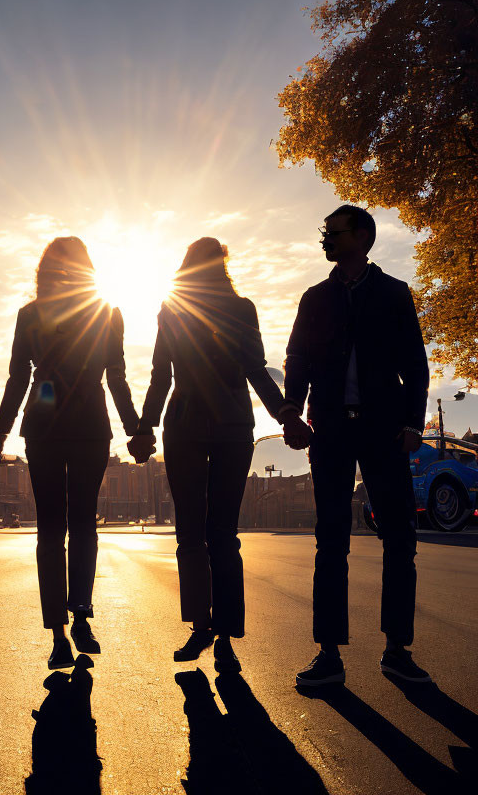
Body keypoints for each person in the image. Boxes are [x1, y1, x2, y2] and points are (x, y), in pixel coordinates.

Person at [129, 238, 311, 673]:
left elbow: (160, 377)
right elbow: (255, 369)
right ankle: (225, 636)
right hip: (231, 426)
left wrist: (145, 428)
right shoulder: (240, 308)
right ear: (222, 264)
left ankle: (201, 626)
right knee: (223, 532)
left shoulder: (172, 307)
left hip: (188, 426)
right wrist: (284, 413)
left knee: (191, 531)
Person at [284, 205, 431, 686]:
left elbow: (415, 362)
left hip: (384, 430)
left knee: (400, 538)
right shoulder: (314, 298)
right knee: (331, 540)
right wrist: (291, 413)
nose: (326, 238)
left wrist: (414, 422)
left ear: (363, 237)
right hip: (328, 430)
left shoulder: (394, 294)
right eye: (324, 231)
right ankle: (328, 654)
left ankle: (396, 649)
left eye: (334, 231)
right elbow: (296, 360)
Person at [0, 237, 140, 669]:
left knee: (54, 528)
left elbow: (19, 379)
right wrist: (135, 429)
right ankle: (77, 618)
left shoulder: (35, 314)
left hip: (49, 420)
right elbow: (117, 378)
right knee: (78, 523)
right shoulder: (105, 312)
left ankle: (62, 632)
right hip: (84, 422)